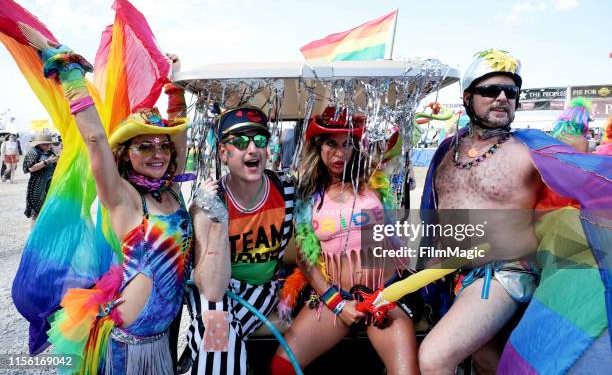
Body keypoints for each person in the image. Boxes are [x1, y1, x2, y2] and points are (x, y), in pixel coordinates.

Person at [419, 49, 612, 374]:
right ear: (467, 97)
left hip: (505, 273)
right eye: (490, 90)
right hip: (452, 275)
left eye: (511, 92)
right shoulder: (445, 149)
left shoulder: (530, 148)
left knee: (434, 357)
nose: (502, 98)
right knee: (485, 359)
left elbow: (595, 177)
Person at [30, 42, 192, 373]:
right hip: (125, 346)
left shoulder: (171, 189)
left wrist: (175, 88)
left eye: (162, 146)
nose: (157, 153)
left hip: (161, 339)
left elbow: (179, 137)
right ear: (126, 154)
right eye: (144, 146)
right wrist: (71, 75)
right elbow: (95, 139)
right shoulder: (124, 198)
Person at [271, 106, 419, 375]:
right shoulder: (307, 195)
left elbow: (400, 139)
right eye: (331, 144)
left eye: (347, 144)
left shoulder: (374, 179)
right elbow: (305, 259)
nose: (340, 153)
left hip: (384, 296)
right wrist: (337, 303)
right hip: (335, 299)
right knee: (282, 367)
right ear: (318, 147)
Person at [181, 106, 296, 375]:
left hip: (260, 289)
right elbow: (212, 289)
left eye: (259, 140)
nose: (252, 150)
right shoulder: (206, 202)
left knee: (215, 334)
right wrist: (219, 219)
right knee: (215, 320)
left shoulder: (287, 189)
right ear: (223, 152)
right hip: (217, 287)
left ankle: (197, 352)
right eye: (241, 142)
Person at [22, 133, 58, 221]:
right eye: (45, 144)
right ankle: (34, 234)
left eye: (49, 143)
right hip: (37, 186)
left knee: (49, 212)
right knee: (37, 213)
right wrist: (47, 161)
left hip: (50, 185)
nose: (48, 145)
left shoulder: (51, 153)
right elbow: (30, 168)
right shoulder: (33, 152)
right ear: (38, 144)